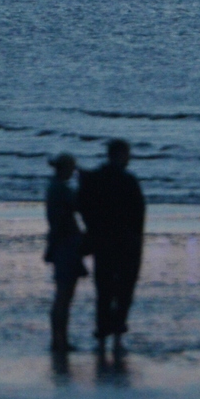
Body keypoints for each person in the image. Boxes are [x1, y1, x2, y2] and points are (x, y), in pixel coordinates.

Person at [77, 138, 145, 358]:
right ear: (119, 155)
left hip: (103, 241)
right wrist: (136, 239)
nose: (129, 158)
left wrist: (93, 228)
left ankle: (102, 333)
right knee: (124, 289)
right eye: (127, 154)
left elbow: (81, 205)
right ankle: (116, 332)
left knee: (104, 289)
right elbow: (139, 214)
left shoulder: (94, 178)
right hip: (126, 242)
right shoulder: (128, 180)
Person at [43, 153, 87, 354]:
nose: (74, 171)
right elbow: (79, 204)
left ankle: (59, 339)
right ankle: (59, 340)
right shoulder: (61, 189)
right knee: (64, 296)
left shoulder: (55, 187)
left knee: (63, 295)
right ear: (64, 168)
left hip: (61, 244)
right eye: (72, 167)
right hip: (66, 245)